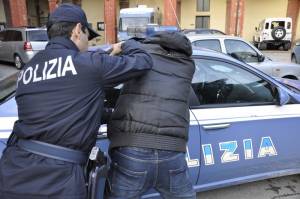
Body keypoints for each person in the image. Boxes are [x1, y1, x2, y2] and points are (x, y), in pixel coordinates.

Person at [0, 3, 152, 199]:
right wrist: (125, 45)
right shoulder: (89, 65)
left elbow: (65, 102)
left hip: (12, 172)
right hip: (57, 181)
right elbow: (143, 61)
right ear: (77, 30)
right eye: (88, 36)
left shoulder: (28, 69)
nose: (88, 43)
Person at [105, 31, 196, 199]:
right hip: (172, 151)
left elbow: (106, 68)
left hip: (131, 147)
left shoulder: (139, 56)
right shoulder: (188, 65)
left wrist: (122, 46)